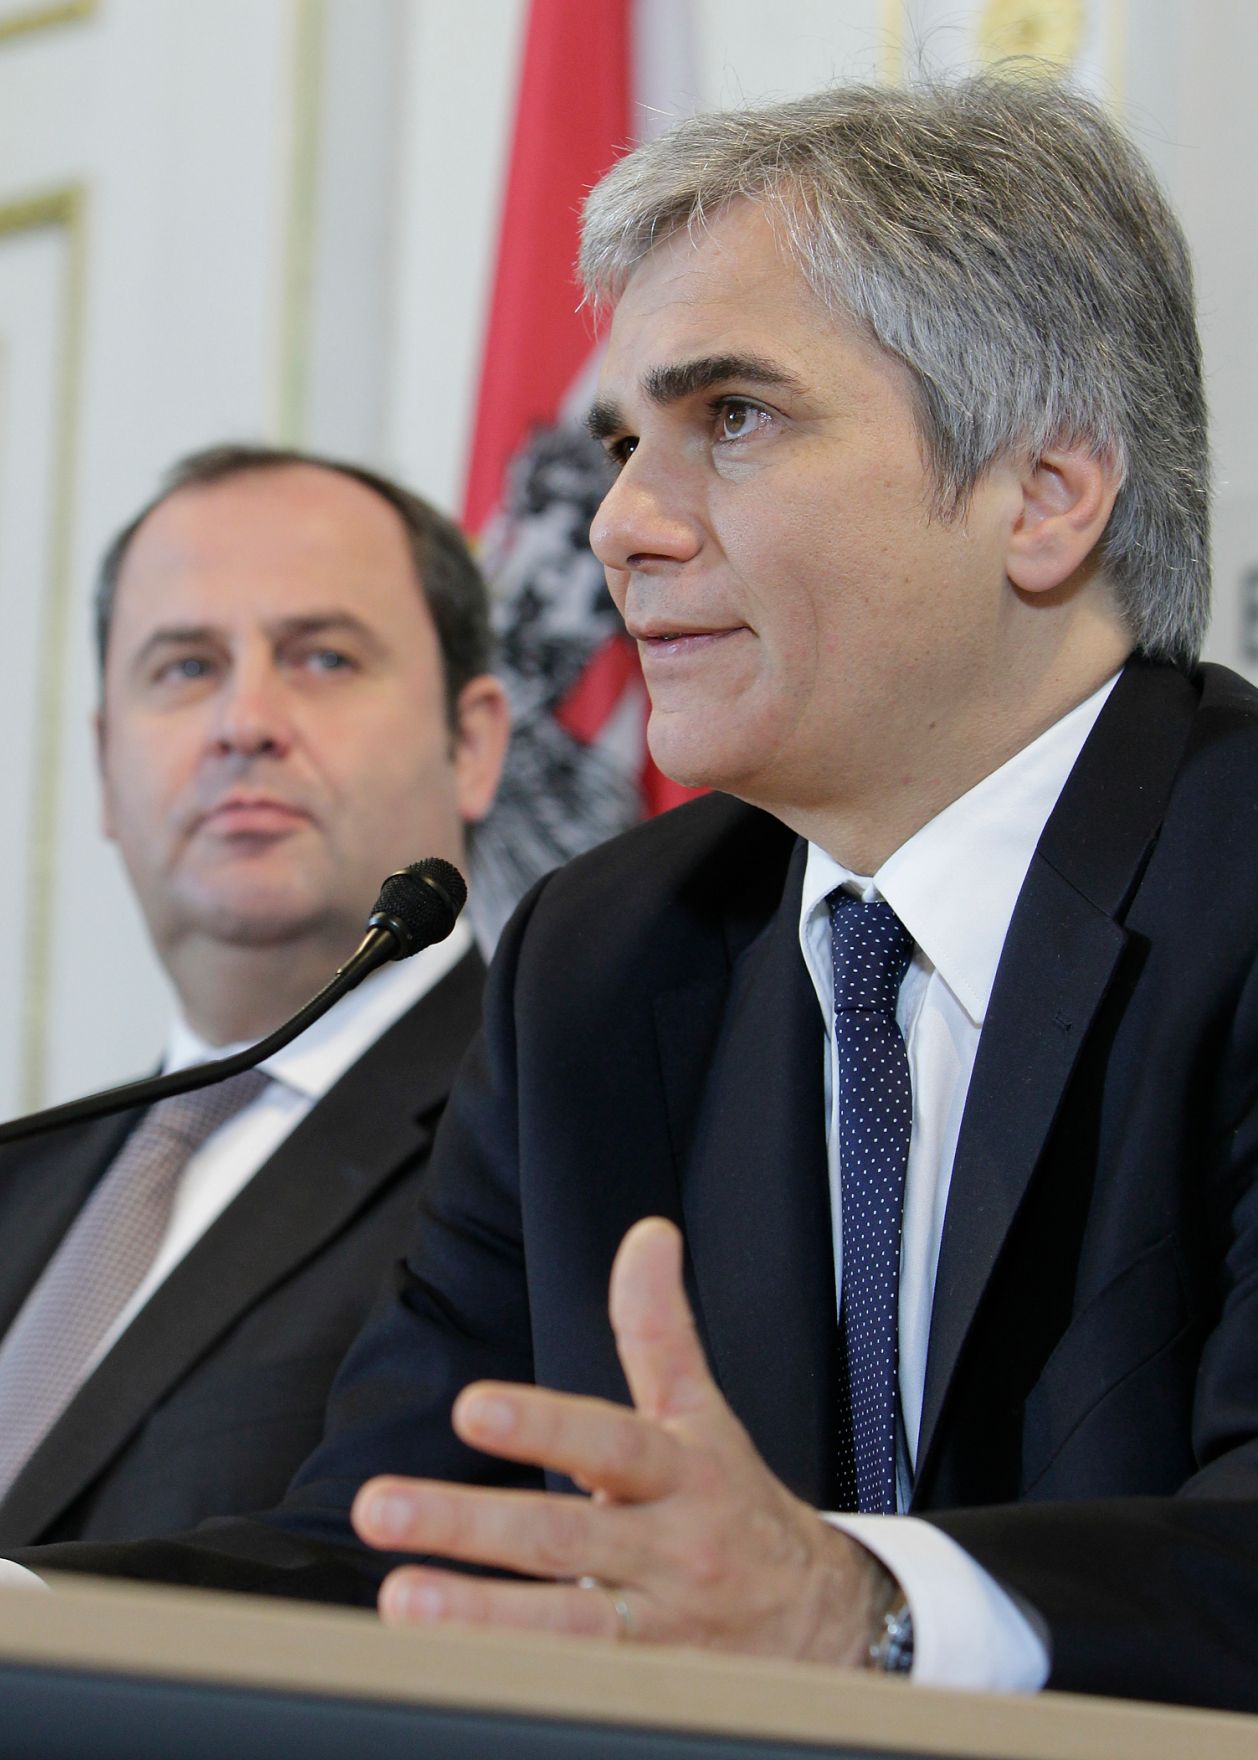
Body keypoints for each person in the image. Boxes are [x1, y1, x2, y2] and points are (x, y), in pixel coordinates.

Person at [13, 79, 1258, 1714]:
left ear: (1044, 489)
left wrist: (861, 1610)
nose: (615, 527)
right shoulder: (601, 959)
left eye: (729, 418)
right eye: (619, 445)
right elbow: (404, 1553)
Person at [0, 444, 508, 1545]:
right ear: (103, 767)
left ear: (472, 744)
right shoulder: (22, 1172)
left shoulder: (537, 1141)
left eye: (320, 656)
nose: (244, 720)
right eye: (185, 667)